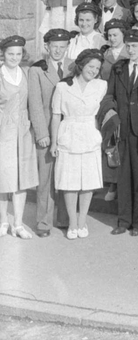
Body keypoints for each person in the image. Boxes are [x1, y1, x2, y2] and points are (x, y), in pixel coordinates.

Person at [105, 27, 138, 236]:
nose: (131, 49)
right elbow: (109, 95)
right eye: (128, 46)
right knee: (123, 176)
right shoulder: (119, 68)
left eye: (135, 46)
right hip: (122, 129)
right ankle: (123, 220)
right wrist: (112, 115)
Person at [50, 48, 107, 238]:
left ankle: (82, 221)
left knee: (88, 182)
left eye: (97, 68)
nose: (94, 70)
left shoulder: (101, 86)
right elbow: (56, 115)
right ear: (81, 65)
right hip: (69, 134)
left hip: (90, 134)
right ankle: (72, 223)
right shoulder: (63, 87)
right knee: (70, 181)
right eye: (91, 66)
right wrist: (54, 143)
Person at [29, 30, 71, 237]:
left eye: (62, 46)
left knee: (66, 175)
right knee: (45, 178)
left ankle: (64, 218)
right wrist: (41, 133)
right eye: (54, 46)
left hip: (69, 131)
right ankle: (43, 222)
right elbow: (35, 104)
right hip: (46, 130)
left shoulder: (73, 66)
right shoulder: (37, 70)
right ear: (47, 47)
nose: (58, 50)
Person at [0, 35, 42, 238]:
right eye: (10, 54)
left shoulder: (26, 73)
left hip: (23, 133)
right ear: (3, 54)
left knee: (21, 178)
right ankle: (3, 222)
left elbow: (32, 102)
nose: (14, 58)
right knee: (3, 178)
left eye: (18, 54)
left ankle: (18, 224)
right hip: (3, 133)